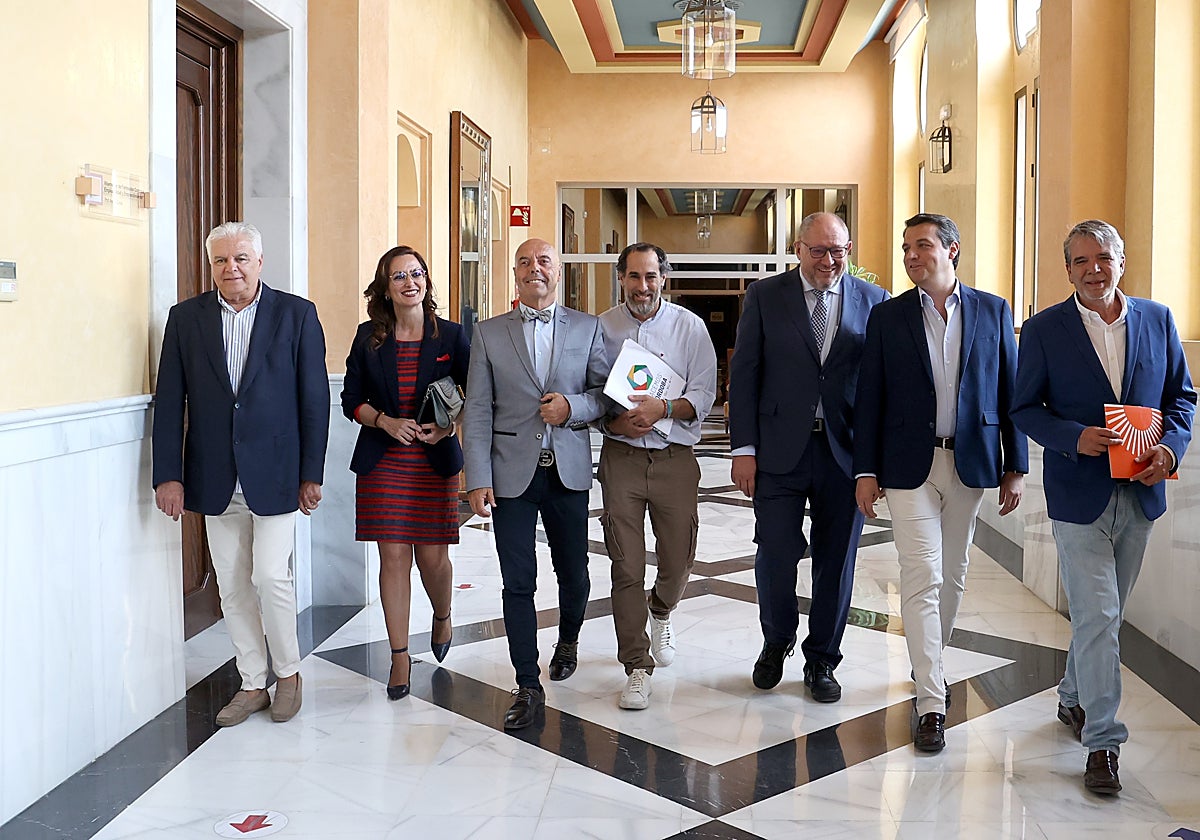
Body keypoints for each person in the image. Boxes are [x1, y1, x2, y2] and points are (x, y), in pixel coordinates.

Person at [1011, 219, 1195, 793]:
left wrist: (1170, 449)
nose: (1094, 269)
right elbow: (1025, 408)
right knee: (1097, 615)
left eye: (1104, 258)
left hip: (1141, 492)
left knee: (1102, 616)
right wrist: (1072, 436)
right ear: (1067, 269)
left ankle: (1072, 697)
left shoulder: (1159, 319)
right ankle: (1103, 744)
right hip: (1078, 494)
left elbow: (1182, 398)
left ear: (1122, 261)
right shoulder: (1043, 329)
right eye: (1081, 261)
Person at [853, 212, 1027, 753]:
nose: (911, 256)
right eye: (906, 247)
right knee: (921, 576)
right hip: (908, 468)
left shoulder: (993, 311)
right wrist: (866, 470)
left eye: (922, 246)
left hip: (971, 462)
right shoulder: (889, 317)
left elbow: (1010, 391)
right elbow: (871, 398)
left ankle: (933, 658)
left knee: (953, 576)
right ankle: (931, 698)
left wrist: (1015, 465)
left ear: (952, 250)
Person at [152, 221, 329, 726]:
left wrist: (311, 471)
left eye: (241, 259)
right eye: (221, 261)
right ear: (211, 266)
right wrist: (169, 474)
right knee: (231, 584)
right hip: (212, 474)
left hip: (276, 472)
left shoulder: (296, 315)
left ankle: (289, 673)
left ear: (259, 261)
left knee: (271, 574)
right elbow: (170, 401)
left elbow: (314, 399)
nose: (231, 268)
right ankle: (253, 682)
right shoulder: (186, 319)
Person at [728, 212, 889, 703]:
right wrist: (743, 450)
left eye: (838, 251)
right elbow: (746, 374)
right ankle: (776, 642)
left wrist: (873, 464)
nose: (828, 261)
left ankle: (822, 658)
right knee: (775, 551)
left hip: (845, 454)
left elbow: (879, 388)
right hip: (778, 451)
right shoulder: (765, 296)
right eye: (818, 250)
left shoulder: (874, 301)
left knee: (836, 561)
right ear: (798, 248)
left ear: (850, 248)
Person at [462, 237, 609, 730]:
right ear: (515, 274)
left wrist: (574, 409)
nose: (534, 269)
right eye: (524, 262)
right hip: (511, 474)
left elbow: (603, 397)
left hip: (567, 471)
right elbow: (478, 409)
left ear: (558, 270)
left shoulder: (588, 328)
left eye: (543, 260)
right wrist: (477, 477)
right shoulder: (488, 333)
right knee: (517, 581)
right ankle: (527, 682)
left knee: (575, 573)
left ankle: (568, 640)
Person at [341, 246, 469, 701]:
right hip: (384, 459)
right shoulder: (368, 336)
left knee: (432, 559)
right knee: (393, 557)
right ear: (385, 286)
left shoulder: (452, 336)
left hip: (433, 461)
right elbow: (350, 397)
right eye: (399, 276)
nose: (409, 282)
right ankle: (399, 656)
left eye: (417, 274)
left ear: (427, 282)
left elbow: (474, 392)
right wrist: (384, 421)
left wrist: (448, 426)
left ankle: (443, 612)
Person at [596, 243, 717, 710]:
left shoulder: (690, 327)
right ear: (621, 278)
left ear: (663, 277)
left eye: (650, 276)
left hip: (674, 458)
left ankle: (661, 609)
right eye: (633, 277)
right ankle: (636, 666)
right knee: (625, 564)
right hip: (621, 458)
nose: (642, 287)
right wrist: (613, 422)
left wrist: (663, 408)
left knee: (679, 559)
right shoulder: (603, 329)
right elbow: (590, 390)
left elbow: (705, 393)